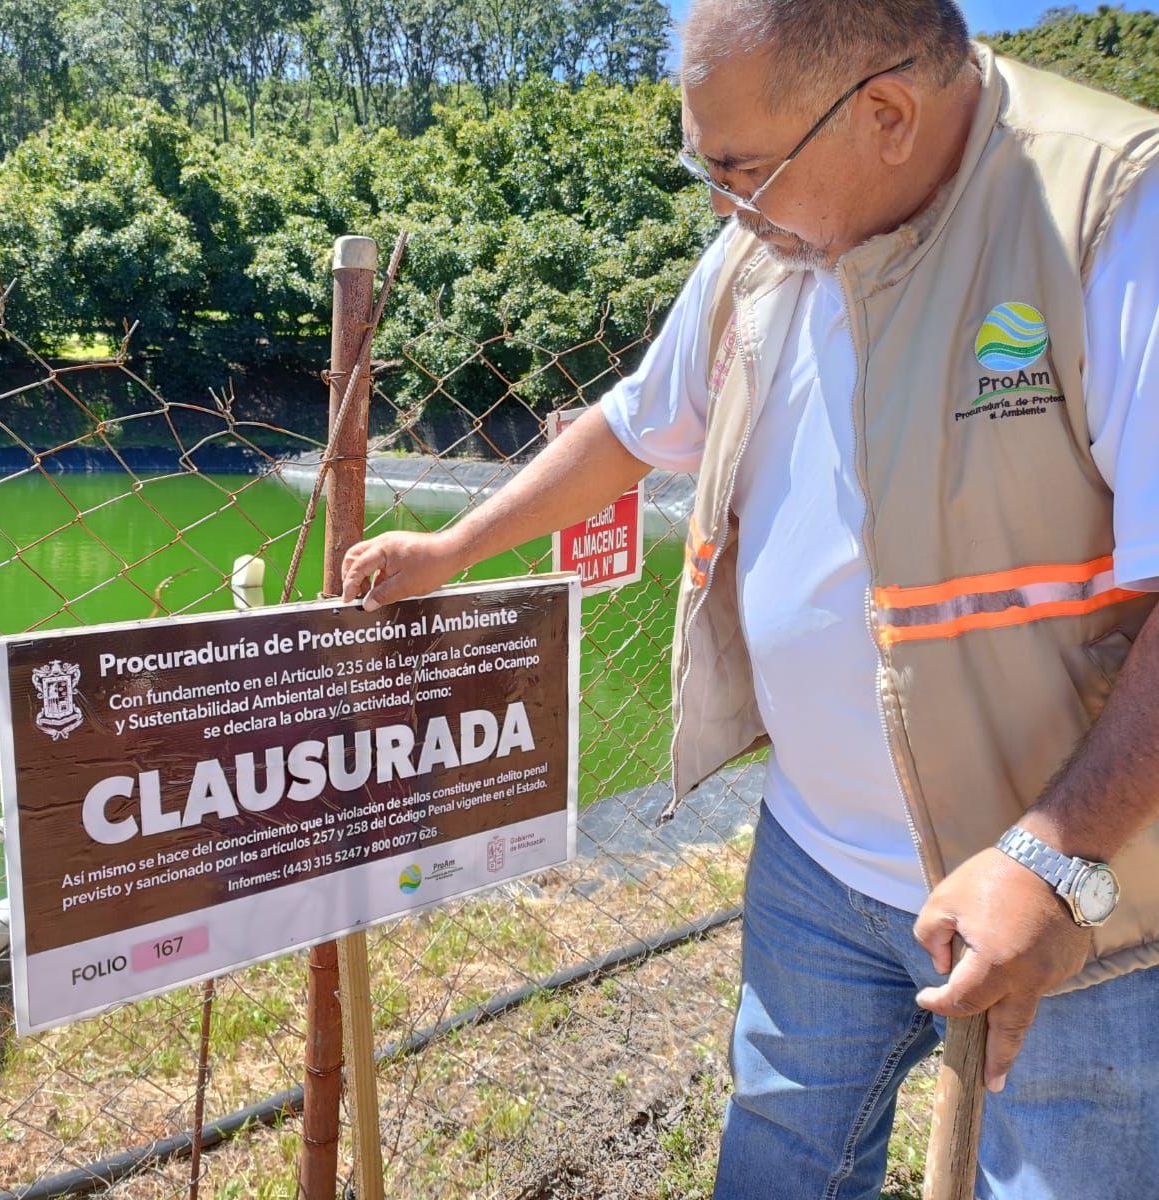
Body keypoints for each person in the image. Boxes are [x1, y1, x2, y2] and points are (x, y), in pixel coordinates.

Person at [339, 2, 1159, 1196]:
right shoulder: (769, 249)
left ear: (883, 114)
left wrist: (1050, 860)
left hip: (1079, 906)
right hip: (814, 864)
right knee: (777, 1160)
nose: (718, 203)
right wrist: (455, 548)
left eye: (735, 166)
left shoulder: (1111, 214)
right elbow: (634, 424)